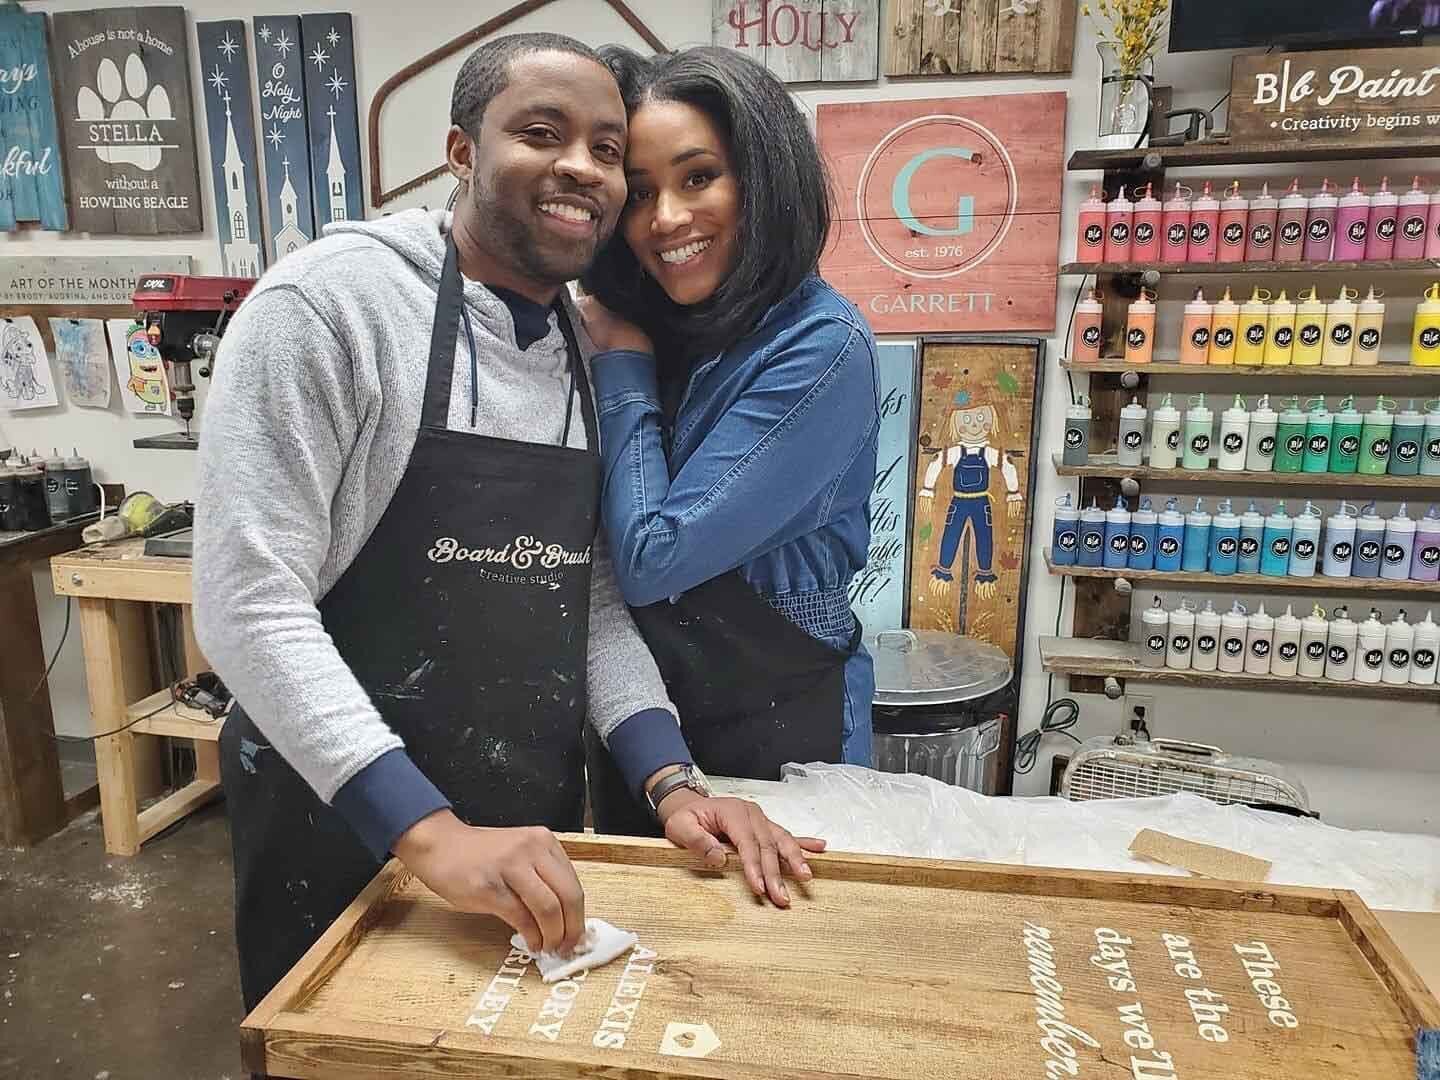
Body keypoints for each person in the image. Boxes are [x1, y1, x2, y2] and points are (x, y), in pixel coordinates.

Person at [194, 32, 821, 1015]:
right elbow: (248, 605)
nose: (582, 166)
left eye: (606, 149)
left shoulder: (589, 349)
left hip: (523, 835)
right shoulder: (328, 305)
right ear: (462, 152)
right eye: (540, 133)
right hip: (339, 816)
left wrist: (674, 784)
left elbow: (589, 598)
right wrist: (429, 833)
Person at [576, 46, 881, 836]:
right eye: (641, 192)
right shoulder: (676, 327)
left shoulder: (821, 348)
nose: (665, 219)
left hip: (784, 730)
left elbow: (652, 557)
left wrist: (623, 368)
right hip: (651, 727)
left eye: (698, 177)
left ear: (763, 178)